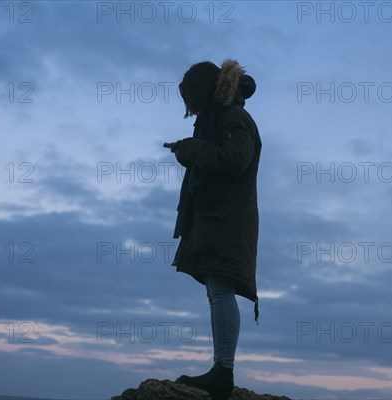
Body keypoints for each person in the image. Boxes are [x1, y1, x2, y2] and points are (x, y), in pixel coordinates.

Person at [169, 58, 261, 400]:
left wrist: (191, 149)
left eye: (191, 98)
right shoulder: (218, 118)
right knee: (216, 292)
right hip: (218, 217)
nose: (189, 108)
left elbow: (234, 161)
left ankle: (223, 372)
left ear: (204, 91)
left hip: (229, 218)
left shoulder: (234, 117)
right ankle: (221, 369)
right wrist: (188, 150)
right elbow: (217, 157)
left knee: (220, 292)